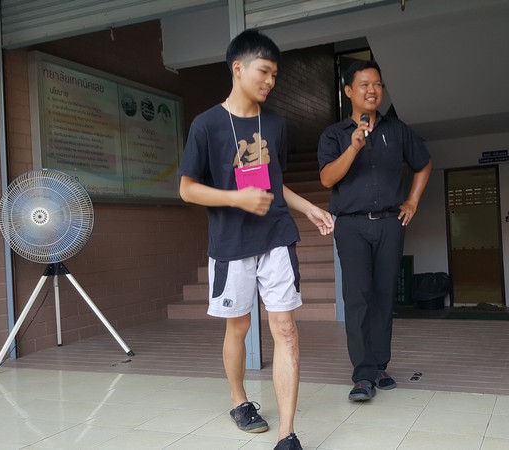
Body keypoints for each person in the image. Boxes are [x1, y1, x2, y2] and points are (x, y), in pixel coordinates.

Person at [178, 29, 334, 450]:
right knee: (239, 327)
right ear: (238, 68)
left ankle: (287, 433)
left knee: (285, 328)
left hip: (276, 236)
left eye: (274, 75)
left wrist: (308, 207)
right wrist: (235, 198)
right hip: (230, 243)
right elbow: (187, 189)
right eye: (264, 71)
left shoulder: (276, 124)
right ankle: (239, 400)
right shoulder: (206, 125)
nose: (270, 81)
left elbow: (274, 182)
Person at [317, 60, 432, 401]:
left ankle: (379, 365)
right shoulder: (334, 135)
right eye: (364, 84)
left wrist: (412, 201)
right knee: (357, 297)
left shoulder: (397, 130)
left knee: (384, 296)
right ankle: (362, 373)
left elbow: (424, 163)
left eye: (377, 84)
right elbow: (327, 178)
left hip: (389, 223)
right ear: (348, 91)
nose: (372, 90)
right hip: (351, 226)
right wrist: (353, 146)